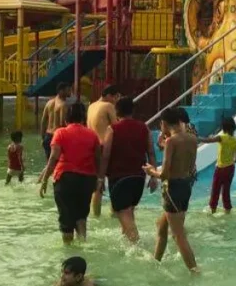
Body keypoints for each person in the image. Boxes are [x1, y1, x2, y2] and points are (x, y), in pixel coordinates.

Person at [143, 108, 199, 272]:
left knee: (178, 235)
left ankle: (194, 270)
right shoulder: (192, 138)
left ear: (164, 123)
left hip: (172, 190)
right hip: (185, 186)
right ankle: (156, 261)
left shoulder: (171, 142)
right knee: (162, 226)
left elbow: (165, 173)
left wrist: (151, 171)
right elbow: (189, 167)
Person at [39, 102, 100, 244]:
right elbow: (98, 158)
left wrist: (44, 180)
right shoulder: (92, 135)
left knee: (66, 217)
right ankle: (83, 244)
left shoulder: (60, 133)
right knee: (81, 215)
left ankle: (68, 250)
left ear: (67, 119)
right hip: (87, 179)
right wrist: (98, 178)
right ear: (83, 118)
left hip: (65, 179)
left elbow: (53, 158)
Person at [98, 97, 156, 243]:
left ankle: (137, 249)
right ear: (133, 111)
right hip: (138, 179)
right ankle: (127, 246)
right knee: (129, 212)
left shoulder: (113, 129)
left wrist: (100, 179)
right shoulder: (144, 128)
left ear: (117, 112)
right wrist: (153, 176)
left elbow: (105, 156)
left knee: (124, 213)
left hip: (119, 179)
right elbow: (151, 153)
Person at [87, 85, 120, 217]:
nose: (116, 100)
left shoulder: (91, 106)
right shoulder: (108, 106)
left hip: (92, 147)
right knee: (114, 182)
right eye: (116, 97)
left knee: (97, 185)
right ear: (109, 95)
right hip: (105, 147)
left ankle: (96, 216)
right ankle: (115, 214)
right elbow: (117, 126)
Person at [199, 116, 236, 214]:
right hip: (230, 169)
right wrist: (231, 161)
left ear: (224, 128)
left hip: (220, 168)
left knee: (215, 190)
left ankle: (213, 209)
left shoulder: (221, 138)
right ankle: (228, 210)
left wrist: (197, 138)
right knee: (226, 191)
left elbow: (207, 140)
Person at [39, 83, 71, 165]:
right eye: (68, 90)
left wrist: (43, 137)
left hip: (47, 136)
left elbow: (43, 121)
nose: (70, 92)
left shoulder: (49, 102)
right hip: (57, 137)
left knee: (49, 165)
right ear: (61, 91)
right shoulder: (63, 105)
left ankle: (45, 178)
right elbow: (62, 124)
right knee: (58, 165)